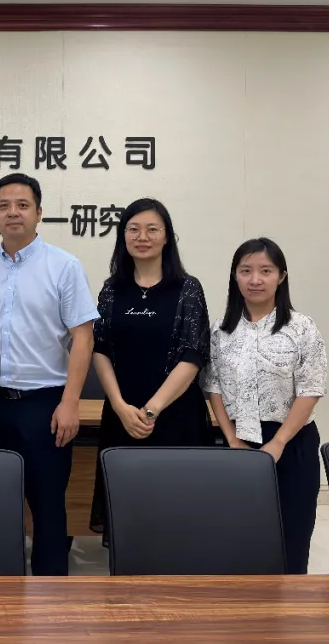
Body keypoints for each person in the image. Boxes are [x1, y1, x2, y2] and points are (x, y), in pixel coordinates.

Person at [0, 173, 100, 576]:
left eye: (22, 205)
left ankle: (51, 600)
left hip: (45, 405)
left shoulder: (64, 266)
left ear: (39, 213)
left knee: (48, 508)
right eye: (4, 206)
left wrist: (70, 403)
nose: (13, 213)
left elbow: (83, 338)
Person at [89, 198, 212, 542]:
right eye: (133, 229)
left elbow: (193, 354)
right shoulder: (112, 289)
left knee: (176, 514)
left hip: (175, 416)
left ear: (167, 236)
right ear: (122, 236)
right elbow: (100, 349)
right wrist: (119, 406)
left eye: (152, 229)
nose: (142, 237)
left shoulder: (187, 288)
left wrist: (151, 410)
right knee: (128, 513)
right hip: (122, 416)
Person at [204, 237, 327, 575]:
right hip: (239, 441)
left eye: (265, 271)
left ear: (281, 276)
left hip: (292, 441)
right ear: (235, 276)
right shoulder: (221, 330)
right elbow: (213, 386)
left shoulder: (301, 327)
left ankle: (285, 604)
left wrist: (279, 442)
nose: (255, 279)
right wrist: (231, 438)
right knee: (240, 538)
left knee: (291, 538)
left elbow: (311, 389)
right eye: (246, 271)